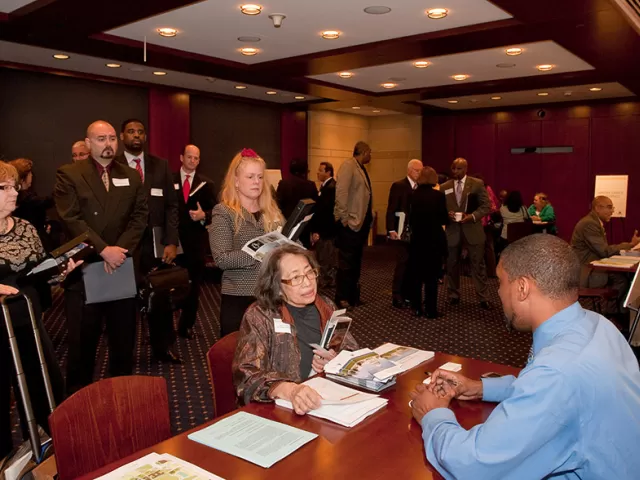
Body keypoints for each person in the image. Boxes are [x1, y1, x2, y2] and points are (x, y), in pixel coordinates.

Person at [410, 234, 640, 480]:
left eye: (500, 282)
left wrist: (433, 414)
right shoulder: (597, 324)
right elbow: (550, 395)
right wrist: (479, 388)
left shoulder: (557, 372)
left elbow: (473, 465)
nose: (498, 292)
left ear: (521, 288)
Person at [54, 120, 148, 394]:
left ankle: (119, 401)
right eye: (100, 139)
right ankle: (77, 408)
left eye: (111, 139)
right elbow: (71, 218)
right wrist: (103, 250)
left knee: (122, 343)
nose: (108, 144)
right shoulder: (69, 174)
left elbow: (140, 217)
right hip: (86, 269)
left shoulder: (130, 175)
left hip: (121, 266)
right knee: (82, 347)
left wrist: (119, 250)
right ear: (87, 143)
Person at [0, 161, 80, 458]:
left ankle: (44, 456)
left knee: (45, 391)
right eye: (5, 188)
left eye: (15, 186)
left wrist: (61, 271)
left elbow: (38, 271)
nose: (14, 193)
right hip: (0, 323)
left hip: (29, 322)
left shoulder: (24, 227)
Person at [233, 244, 358, 414]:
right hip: (278, 409)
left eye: (309, 272)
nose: (307, 282)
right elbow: (246, 376)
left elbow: (350, 347)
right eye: (295, 278)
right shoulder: (260, 316)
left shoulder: (325, 305)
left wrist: (334, 359)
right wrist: (289, 390)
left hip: (322, 400)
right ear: (277, 287)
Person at [115, 119, 181, 363]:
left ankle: (162, 348)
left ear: (146, 136)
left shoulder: (160, 165)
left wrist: (172, 241)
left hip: (156, 243)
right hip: (124, 245)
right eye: (131, 132)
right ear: (122, 136)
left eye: (140, 132)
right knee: (125, 299)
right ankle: (125, 352)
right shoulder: (114, 165)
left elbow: (172, 206)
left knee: (161, 296)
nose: (136, 136)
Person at [210, 148, 283, 337]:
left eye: (260, 177)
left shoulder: (272, 210)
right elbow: (222, 259)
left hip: (272, 296)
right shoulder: (223, 212)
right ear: (236, 180)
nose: (256, 182)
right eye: (250, 177)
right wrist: (262, 251)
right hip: (239, 299)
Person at [173, 144, 215, 340]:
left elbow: (216, 211)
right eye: (189, 157)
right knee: (168, 285)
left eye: (196, 158)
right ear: (181, 157)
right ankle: (163, 328)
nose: (192, 161)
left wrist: (203, 215)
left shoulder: (206, 184)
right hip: (171, 243)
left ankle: (186, 325)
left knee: (193, 286)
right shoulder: (168, 180)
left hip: (195, 243)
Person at [571, 196, 639, 312]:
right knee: (622, 280)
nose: (612, 211)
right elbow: (604, 251)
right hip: (586, 270)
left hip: (593, 265)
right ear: (597, 208)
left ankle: (618, 313)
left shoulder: (594, 221)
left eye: (612, 207)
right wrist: (630, 244)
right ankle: (614, 313)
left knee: (624, 278)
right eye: (609, 207)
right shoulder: (589, 224)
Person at [439, 158, 491, 309]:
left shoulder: (477, 184)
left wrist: (472, 216)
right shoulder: (444, 187)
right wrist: (446, 214)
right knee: (452, 264)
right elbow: (440, 208)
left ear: (466, 168)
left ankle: (483, 297)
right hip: (452, 231)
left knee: (478, 265)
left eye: (459, 169)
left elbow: (486, 206)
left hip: (473, 229)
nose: (456, 172)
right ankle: (453, 295)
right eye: (454, 169)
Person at [334, 141, 373, 309]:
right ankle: (341, 297)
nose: (371, 156)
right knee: (346, 263)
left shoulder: (360, 167)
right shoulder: (348, 166)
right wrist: (343, 218)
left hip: (360, 224)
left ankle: (352, 295)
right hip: (350, 224)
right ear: (363, 152)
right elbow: (341, 192)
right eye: (370, 152)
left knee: (355, 262)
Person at [406, 167, 448, 318]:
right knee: (431, 278)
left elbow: (410, 219)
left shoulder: (413, 195)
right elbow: (444, 219)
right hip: (434, 240)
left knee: (416, 276)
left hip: (417, 240)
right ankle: (431, 310)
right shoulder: (439, 196)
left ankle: (416, 308)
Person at [386, 159, 422, 309]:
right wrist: (391, 229)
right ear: (409, 170)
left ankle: (408, 294)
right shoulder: (399, 185)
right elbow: (391, 208)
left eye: (421, 171)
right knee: (402, 264)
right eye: (416, 170)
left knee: (412, 265)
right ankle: (397, 295)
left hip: (416, 233)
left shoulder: (421, 188)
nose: (419, 174)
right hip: (401, 232)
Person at [9, 158, 56, 251]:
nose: (32, 176)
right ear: (22, 178)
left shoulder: (26, 197)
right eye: (30, 174)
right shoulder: (26, 199)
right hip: (34, 244)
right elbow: (48, 201)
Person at [310, 161, 337, 288]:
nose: (318, 172)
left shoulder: (331, 188)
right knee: (324, 257)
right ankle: (327, 279)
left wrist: (317, 231)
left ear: (328, 172)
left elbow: (325, 213)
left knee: (326, 257)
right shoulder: (325, 186)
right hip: (325, 230)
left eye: (321, 170)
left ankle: (328, 280)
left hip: (326, 231)